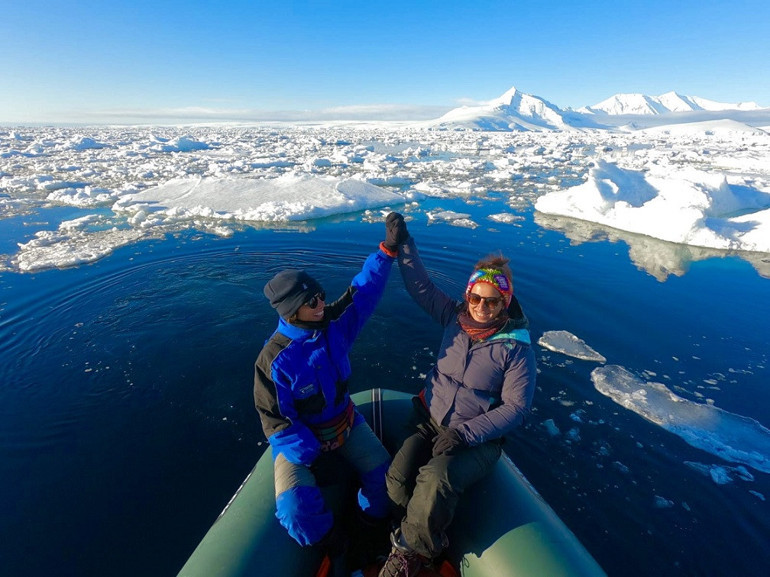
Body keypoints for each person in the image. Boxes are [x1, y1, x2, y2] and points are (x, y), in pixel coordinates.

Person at [378, 214, 537, 577]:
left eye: (493, 301)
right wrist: (405, 243)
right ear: (468, 295)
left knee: (436, 478)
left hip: (476, 440)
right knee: (398, 480)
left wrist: (464, 434)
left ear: (505, 303)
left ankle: (410, 554)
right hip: (429, 421)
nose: (483, 307)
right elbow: (420, 286)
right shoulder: (453, 317)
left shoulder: (516, 350)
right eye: (477, 298)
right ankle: (420, 533)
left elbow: (516, 409)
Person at [253, 214, 409, 574]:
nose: (322, 304)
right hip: (305, 443)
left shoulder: (333, 327)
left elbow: (362, 292)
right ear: (292, 311)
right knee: (294, 510)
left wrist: (387, 250)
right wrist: (313, 450)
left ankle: (367, 530)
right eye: (312, 302)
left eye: (321, 296)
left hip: (346, 423)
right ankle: (334, 543)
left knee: (384, 481)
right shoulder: (273, 362)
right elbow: (276, 422)